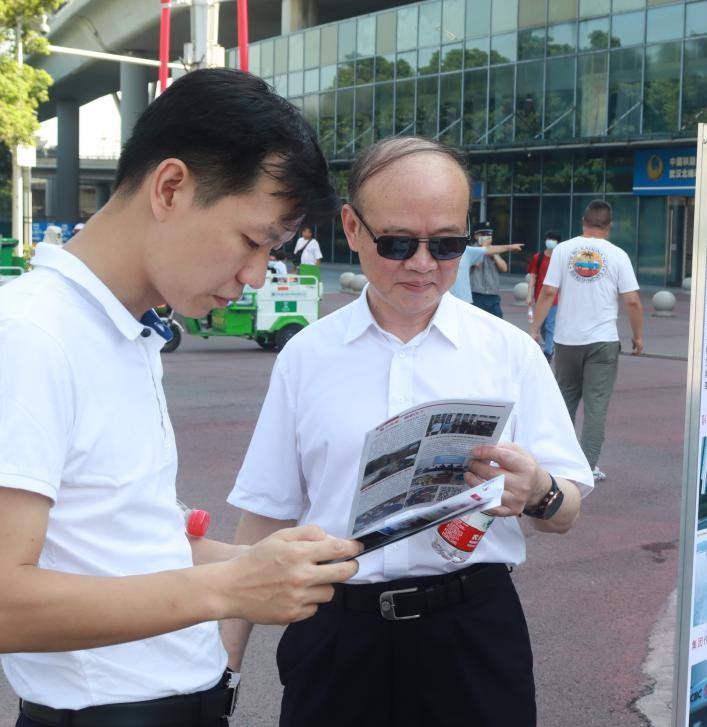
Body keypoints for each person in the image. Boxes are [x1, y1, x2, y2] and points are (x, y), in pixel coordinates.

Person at [0, 68, 361, 727]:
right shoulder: (31, 334)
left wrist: (271, 562)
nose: (253, 275)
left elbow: (120, 544)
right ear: (171, 186)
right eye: (251, 241)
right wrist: (232, 585)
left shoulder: (124, 331)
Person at [220, 136, 593, 727]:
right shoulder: (307, 356)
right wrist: (226, 663)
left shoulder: (508, 353)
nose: (422, 264)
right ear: (351, 226)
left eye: (446, 244)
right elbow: (265, 513)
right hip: (336, 631)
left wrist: (540, 492)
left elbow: (566, 507)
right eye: (396, 243)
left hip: (472, 630)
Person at [532, 200, 644, 483]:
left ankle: (558, 462)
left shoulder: (562, 249)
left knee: (565, 401)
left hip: (566, 340)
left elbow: (547, 293)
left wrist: (534, 329)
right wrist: (638, 336)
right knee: (596, 407)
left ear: (584, 221)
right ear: (609, 226)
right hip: (602, 341)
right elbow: (632, 300)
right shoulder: (618, 255)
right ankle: (587, 467)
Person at [526, 229, 562, 361]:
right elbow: (533, 277)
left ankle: (548, 351)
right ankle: (550, 345)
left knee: (550, 324)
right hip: (539, 296)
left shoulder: (560, 259)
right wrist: (529, 295)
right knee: (541, 324)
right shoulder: (538, 257)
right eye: (549, 239)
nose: (550, 242)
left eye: (554, 240)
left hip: (555, 297)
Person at [468, 220, 509, 318]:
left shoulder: (494, 251)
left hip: (492, 294)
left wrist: (494, 254)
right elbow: (475, 264)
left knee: (497, 322)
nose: (487, 236)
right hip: (476, 294)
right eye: (483, 234)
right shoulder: (471, 250)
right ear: (476, 236)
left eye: (489, 234)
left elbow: (504, 268)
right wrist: (483, 250)